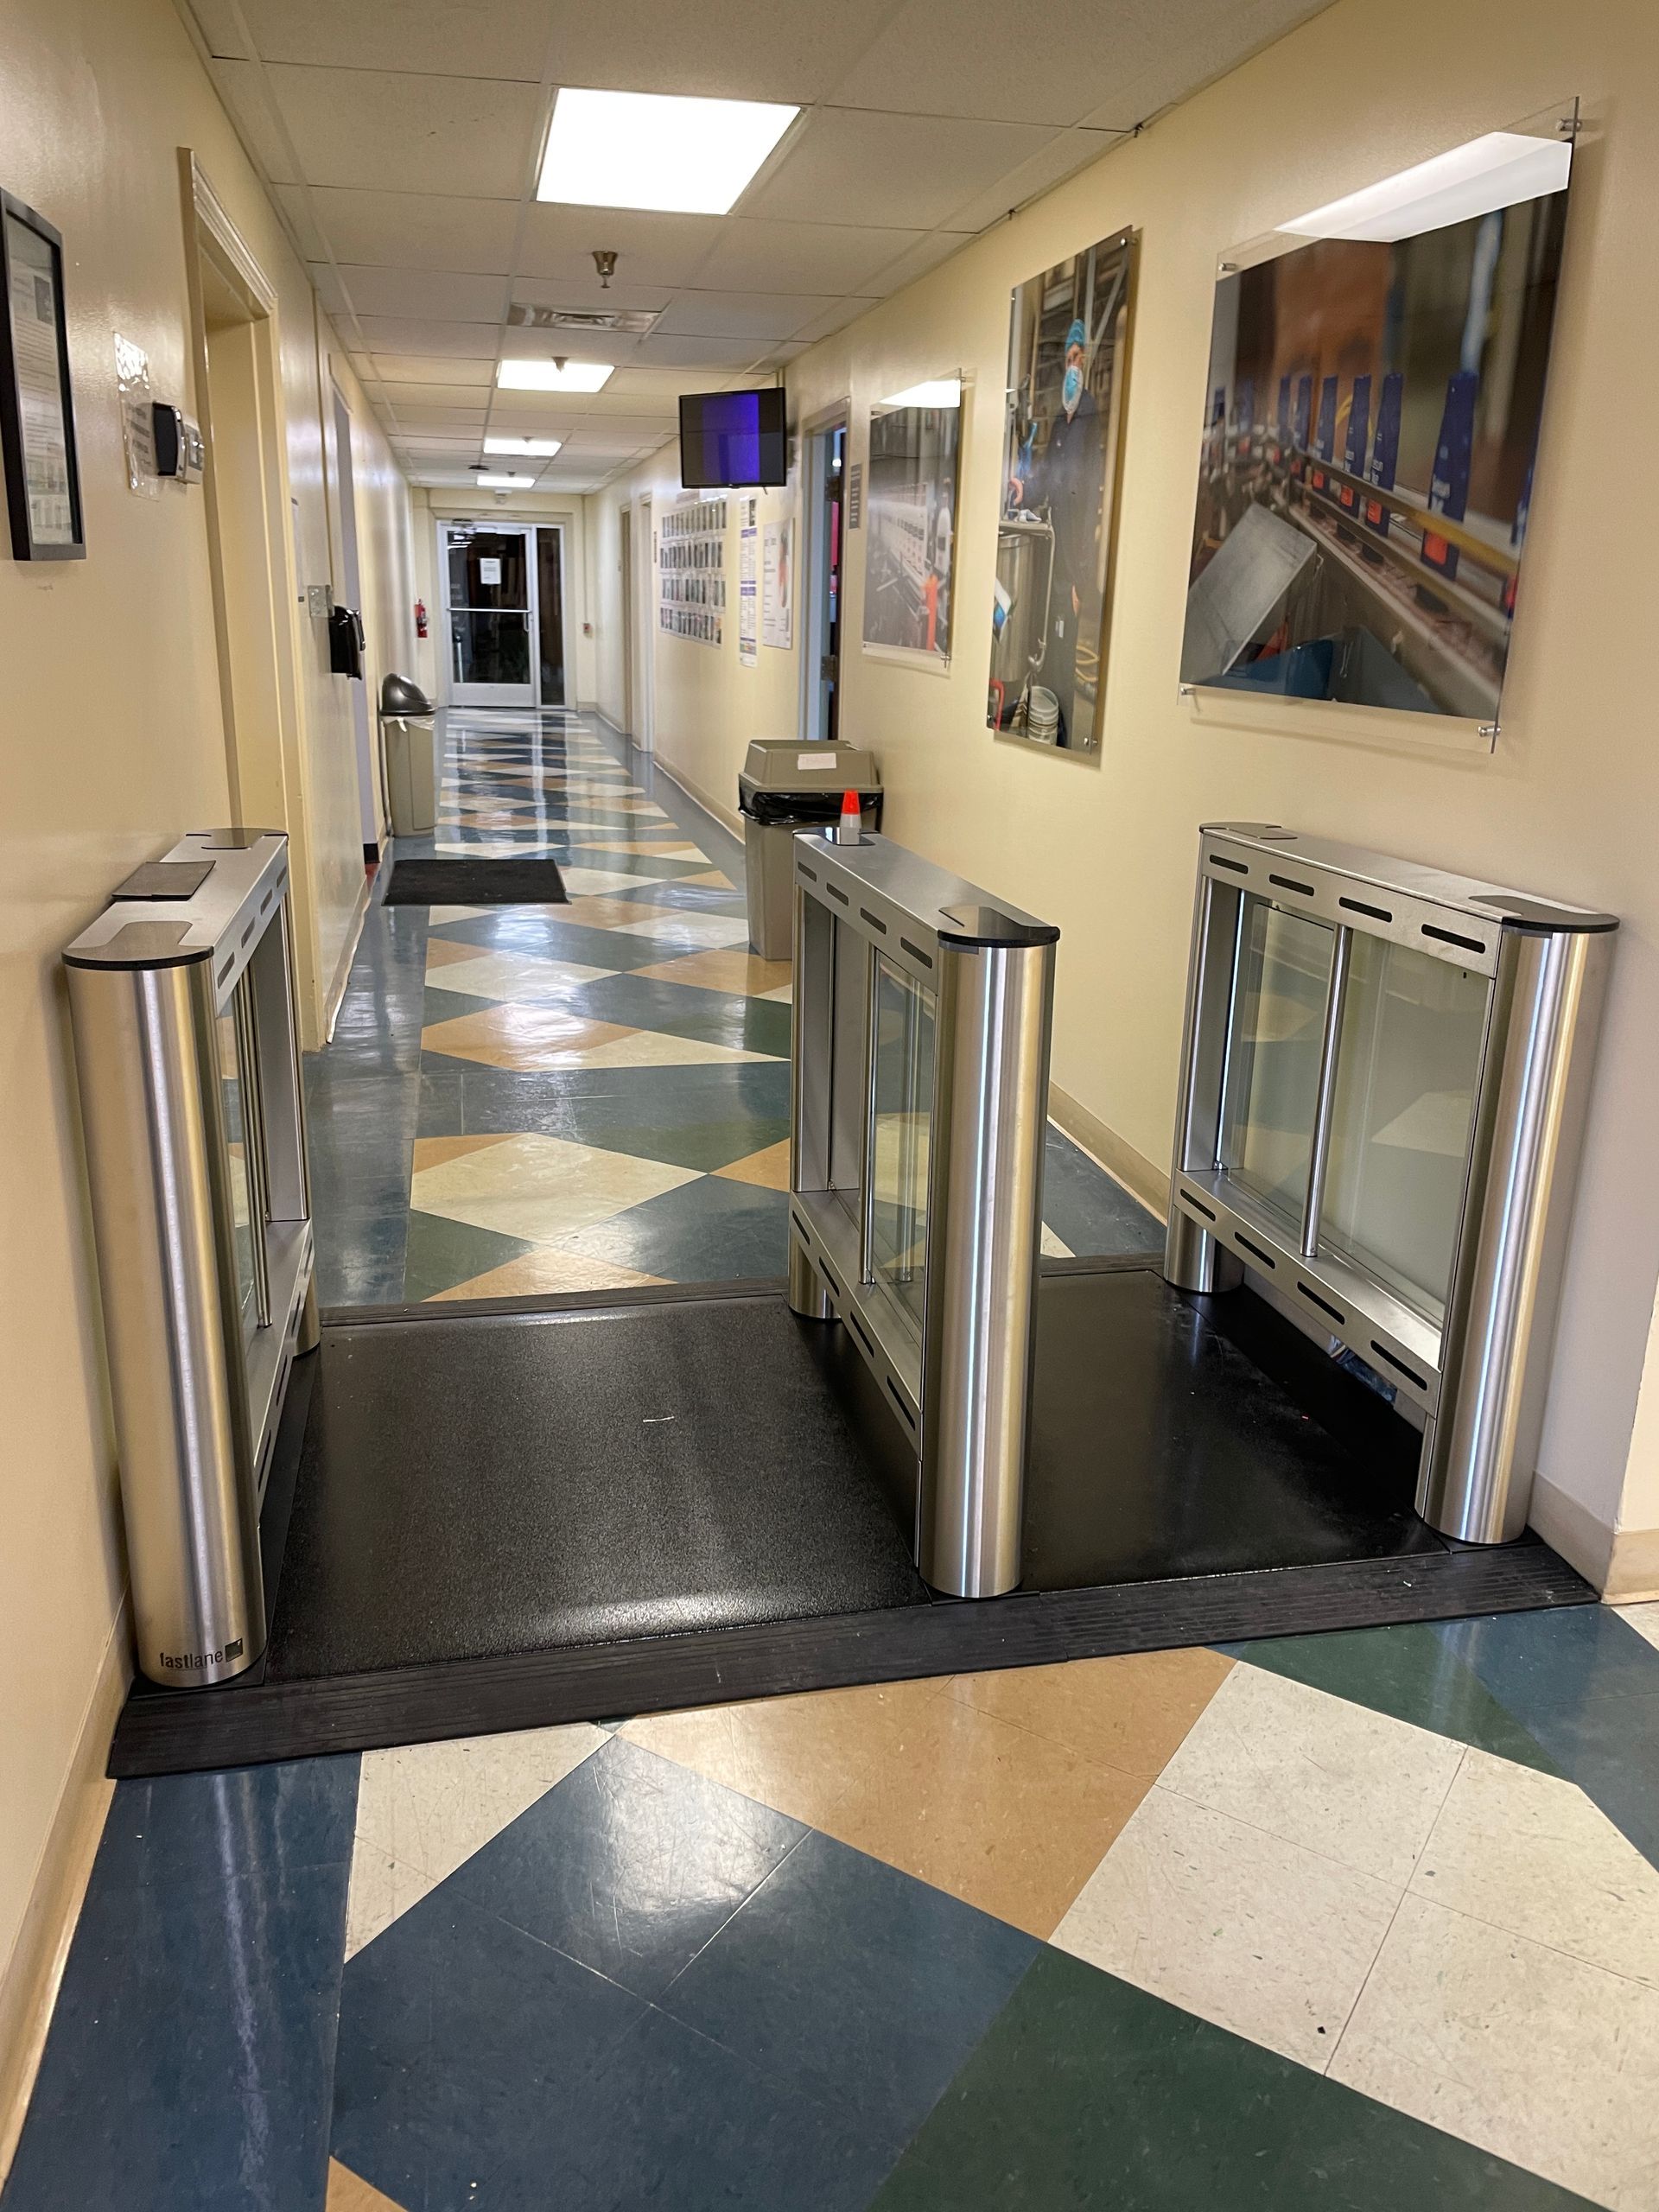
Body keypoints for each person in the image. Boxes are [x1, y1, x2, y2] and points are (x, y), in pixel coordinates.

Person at [1007, 318, 1103, 745]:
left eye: (1077, 359)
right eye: (1067, 359)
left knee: (1064, 651)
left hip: (1072, 557)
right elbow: (1050, 478)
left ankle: (1061, 738)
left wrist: (1082, 577)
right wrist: (1025, 490)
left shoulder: (1088, 418)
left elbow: (1086, 502)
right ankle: (1044, 729)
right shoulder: (1062, 422)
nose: (1071, 367)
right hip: (1054, 551)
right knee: (1049, 643)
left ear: (1086, 362)